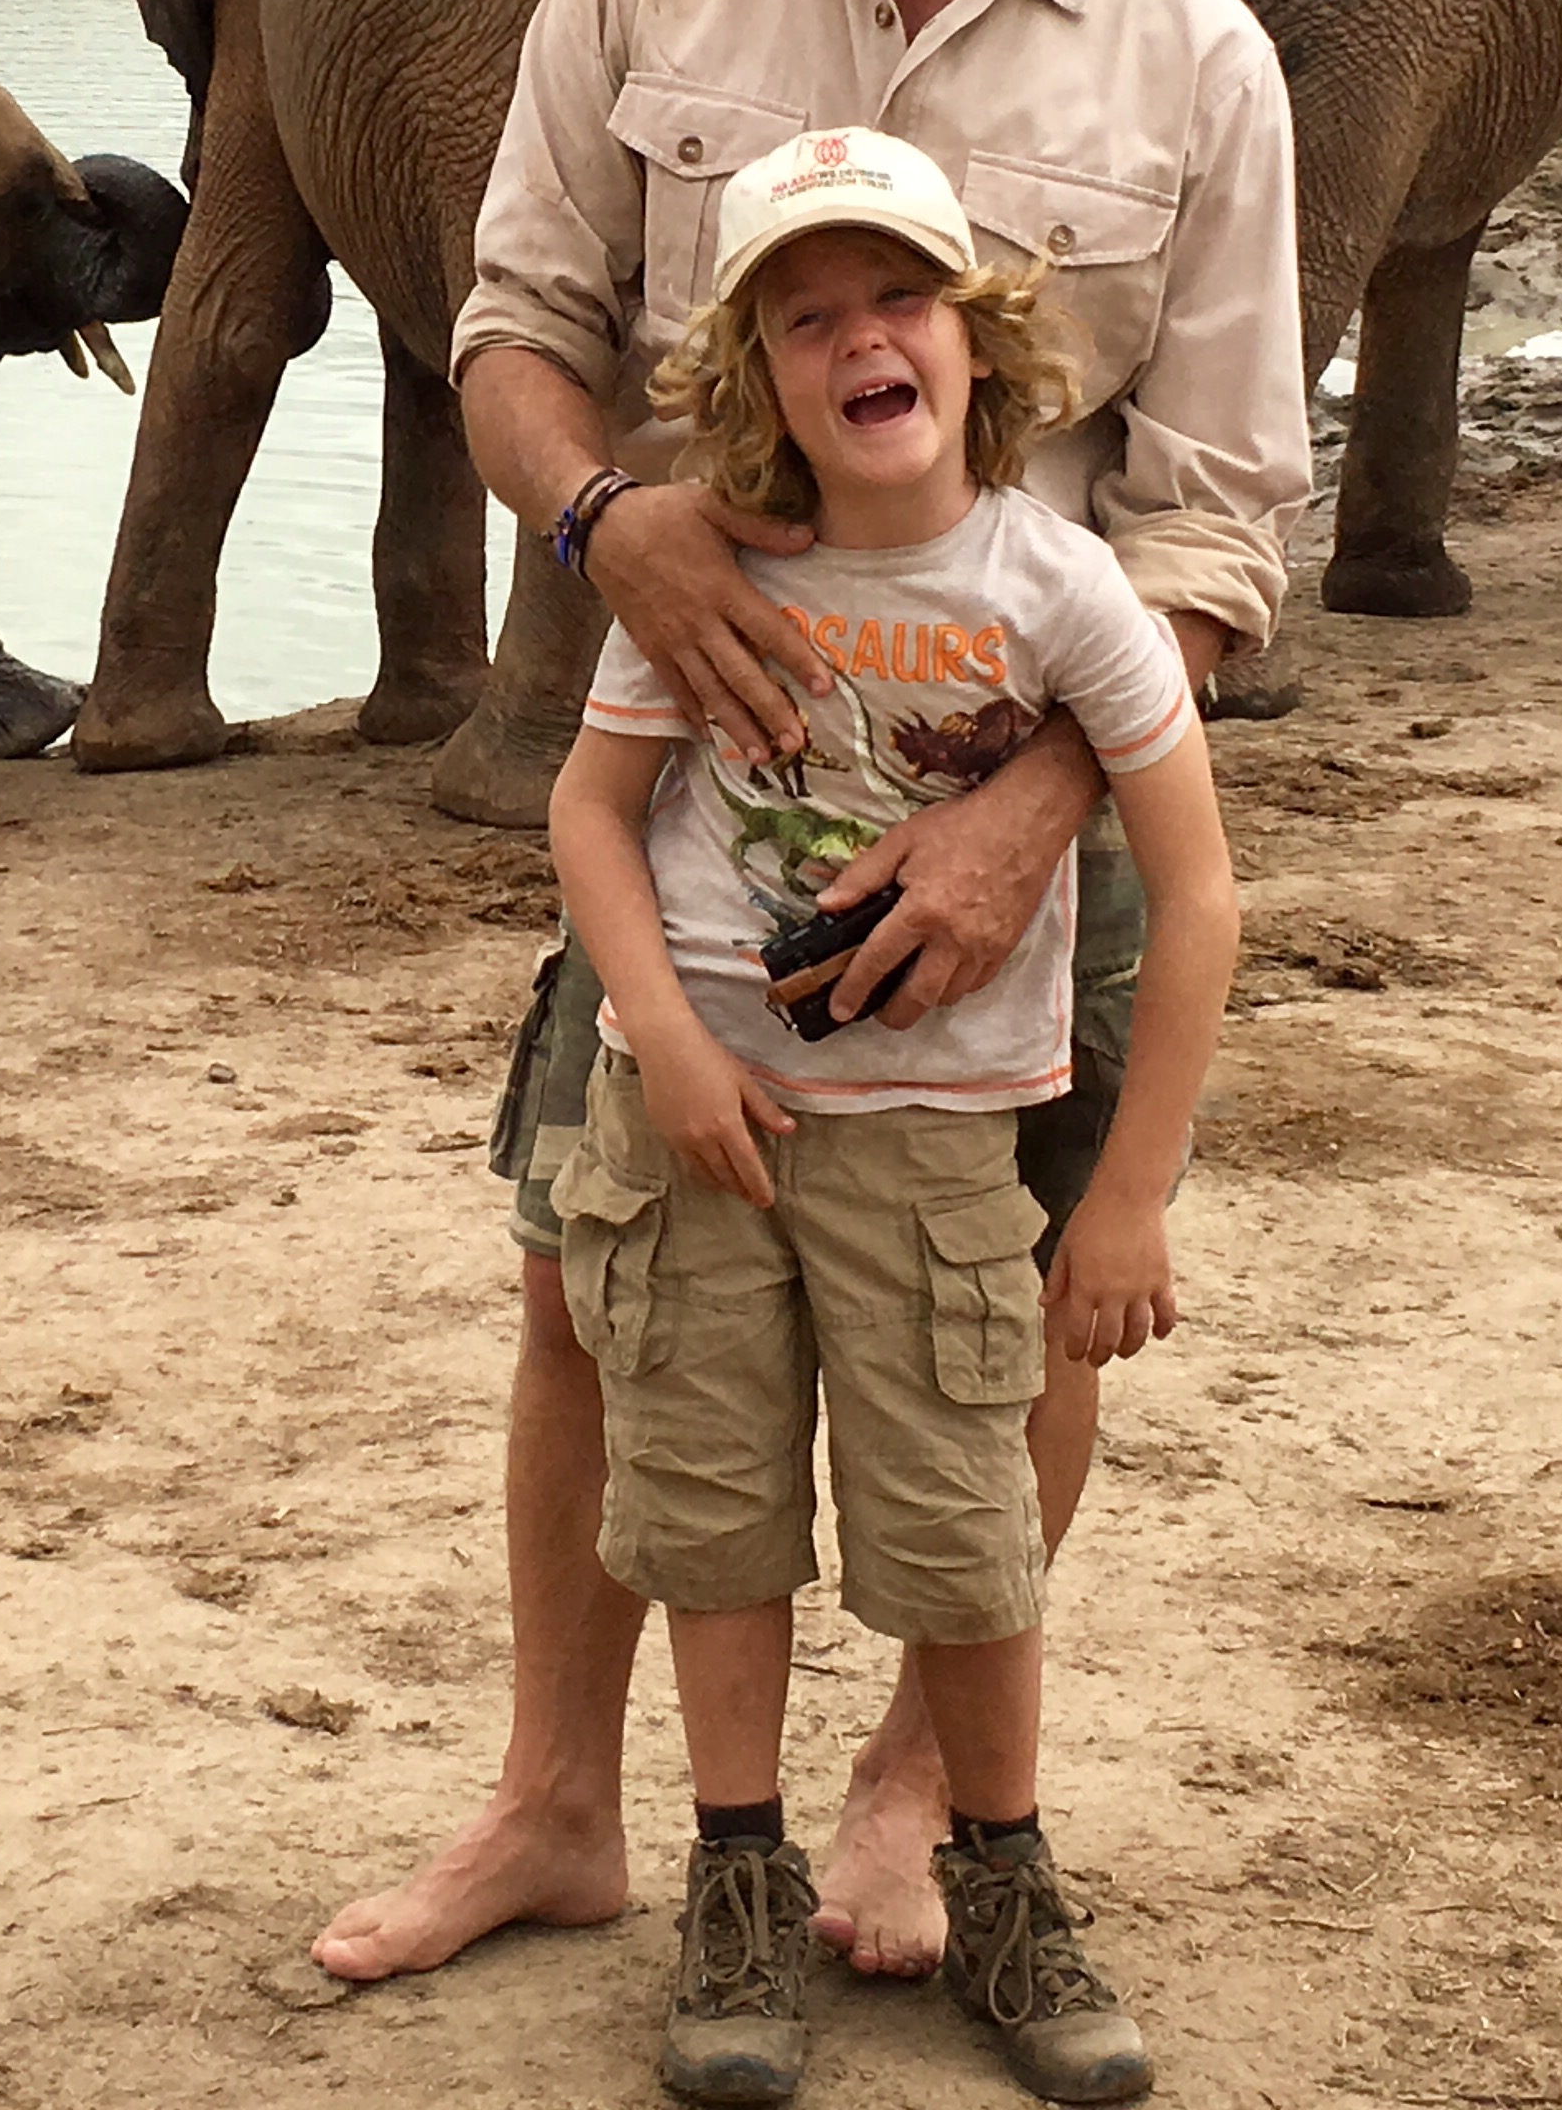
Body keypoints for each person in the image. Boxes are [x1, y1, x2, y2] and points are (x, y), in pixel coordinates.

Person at [317, 0, 1307, 1988]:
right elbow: (512, 329)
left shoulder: (1196, 55)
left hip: (1033, 825)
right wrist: (601, 527)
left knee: (1014, 1314)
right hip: (703, 807)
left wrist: (1033, 816)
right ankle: (559, 1807)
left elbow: (1215, 520)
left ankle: (905, 1801)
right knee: (593, 1281)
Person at [549, 126, 1235, 2104]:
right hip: (699, 1132)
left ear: (979, 338)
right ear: (758, 378)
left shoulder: (1061, 587)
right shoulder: (714, 575)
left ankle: (1003, 1876)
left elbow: (1199, 898)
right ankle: (738, 1883)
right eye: (807, 317)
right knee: (713, 1512)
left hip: (941, 1147)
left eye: (901, 298)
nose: (862, 339)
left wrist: (1129, 1198)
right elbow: (591, 812)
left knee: (963, 1527)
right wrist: (666, 1043)